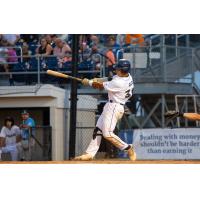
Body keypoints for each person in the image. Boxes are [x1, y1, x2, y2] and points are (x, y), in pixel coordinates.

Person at [74, 59, 136, 161]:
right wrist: (96, 79)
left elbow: (99, 86)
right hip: (112, 105)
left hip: (114, 107)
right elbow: (109, 78)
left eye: (118, 69)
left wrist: (89, 82)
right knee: (98, 129)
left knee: (107, 133)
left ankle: (128, 147)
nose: (116, 70)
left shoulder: (119, 83)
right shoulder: (128, 76)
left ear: (122, 70)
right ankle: (89, 153)